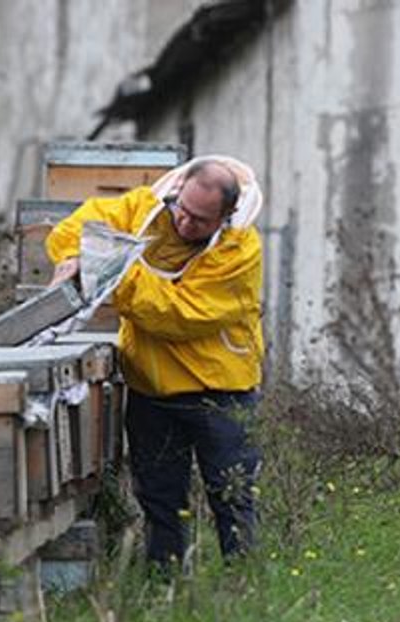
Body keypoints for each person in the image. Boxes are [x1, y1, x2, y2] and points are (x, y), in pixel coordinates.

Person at [46, 156, 266, 567]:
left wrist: (111, 266)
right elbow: (78, 226)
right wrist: (78, 255)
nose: (184, 223)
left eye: (200, 220)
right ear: (177, 191)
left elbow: (178, 315)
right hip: (151, 389)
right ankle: (165, 587)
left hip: (221, 394)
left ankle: (245, 587)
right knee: (160, 500)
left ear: (226, 217)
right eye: (181, 209)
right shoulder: (143, 208)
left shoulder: (241, 252)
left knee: (233, 499)